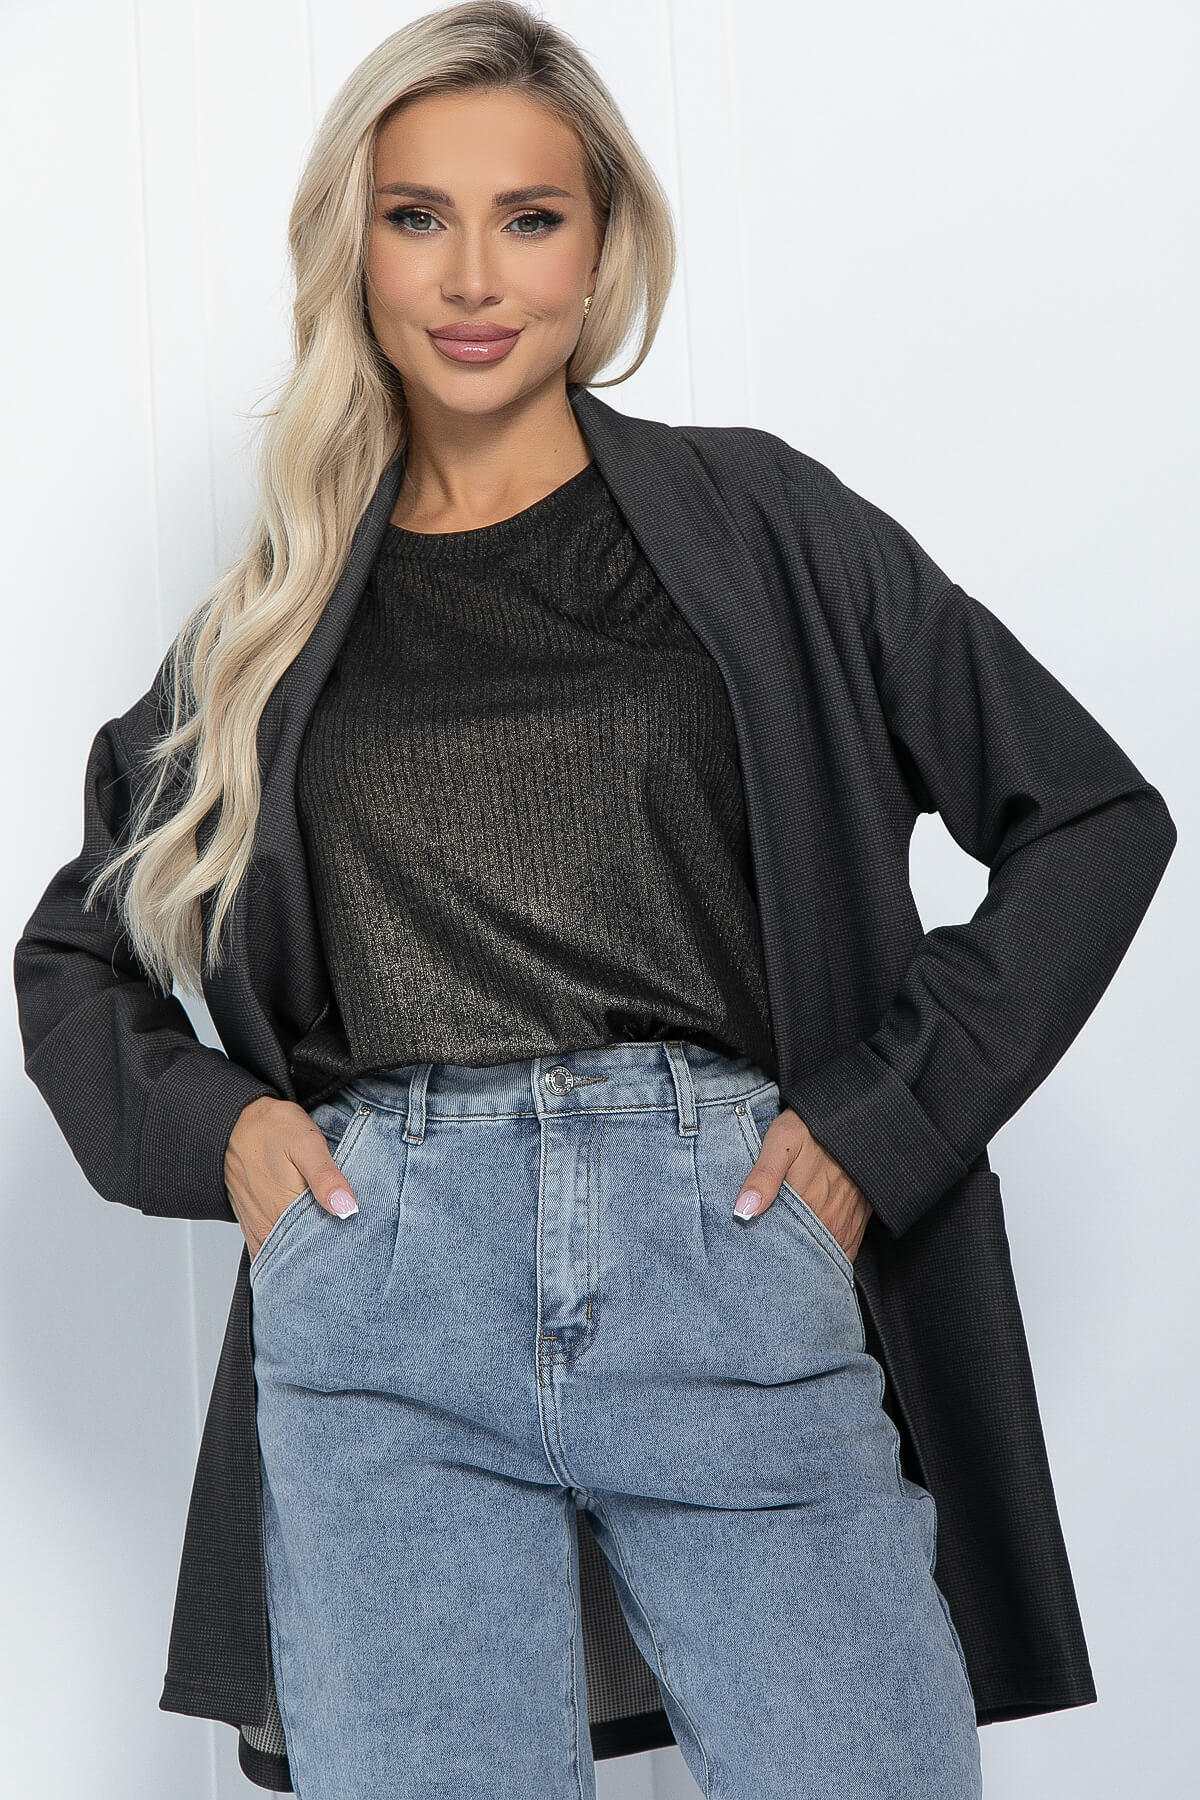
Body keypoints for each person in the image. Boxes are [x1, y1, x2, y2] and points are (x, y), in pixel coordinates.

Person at [12, 4, 1177, 1797]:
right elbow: (74, 954)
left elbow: (1088, 815)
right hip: (383, 1288)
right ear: (353, 249)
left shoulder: (760, 521)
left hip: (725, 1250)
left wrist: (877, 1125)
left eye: (530, 217)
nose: (475, 276)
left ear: (603, 242)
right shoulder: (271, 619)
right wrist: (226, 1135)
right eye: (418, 217)